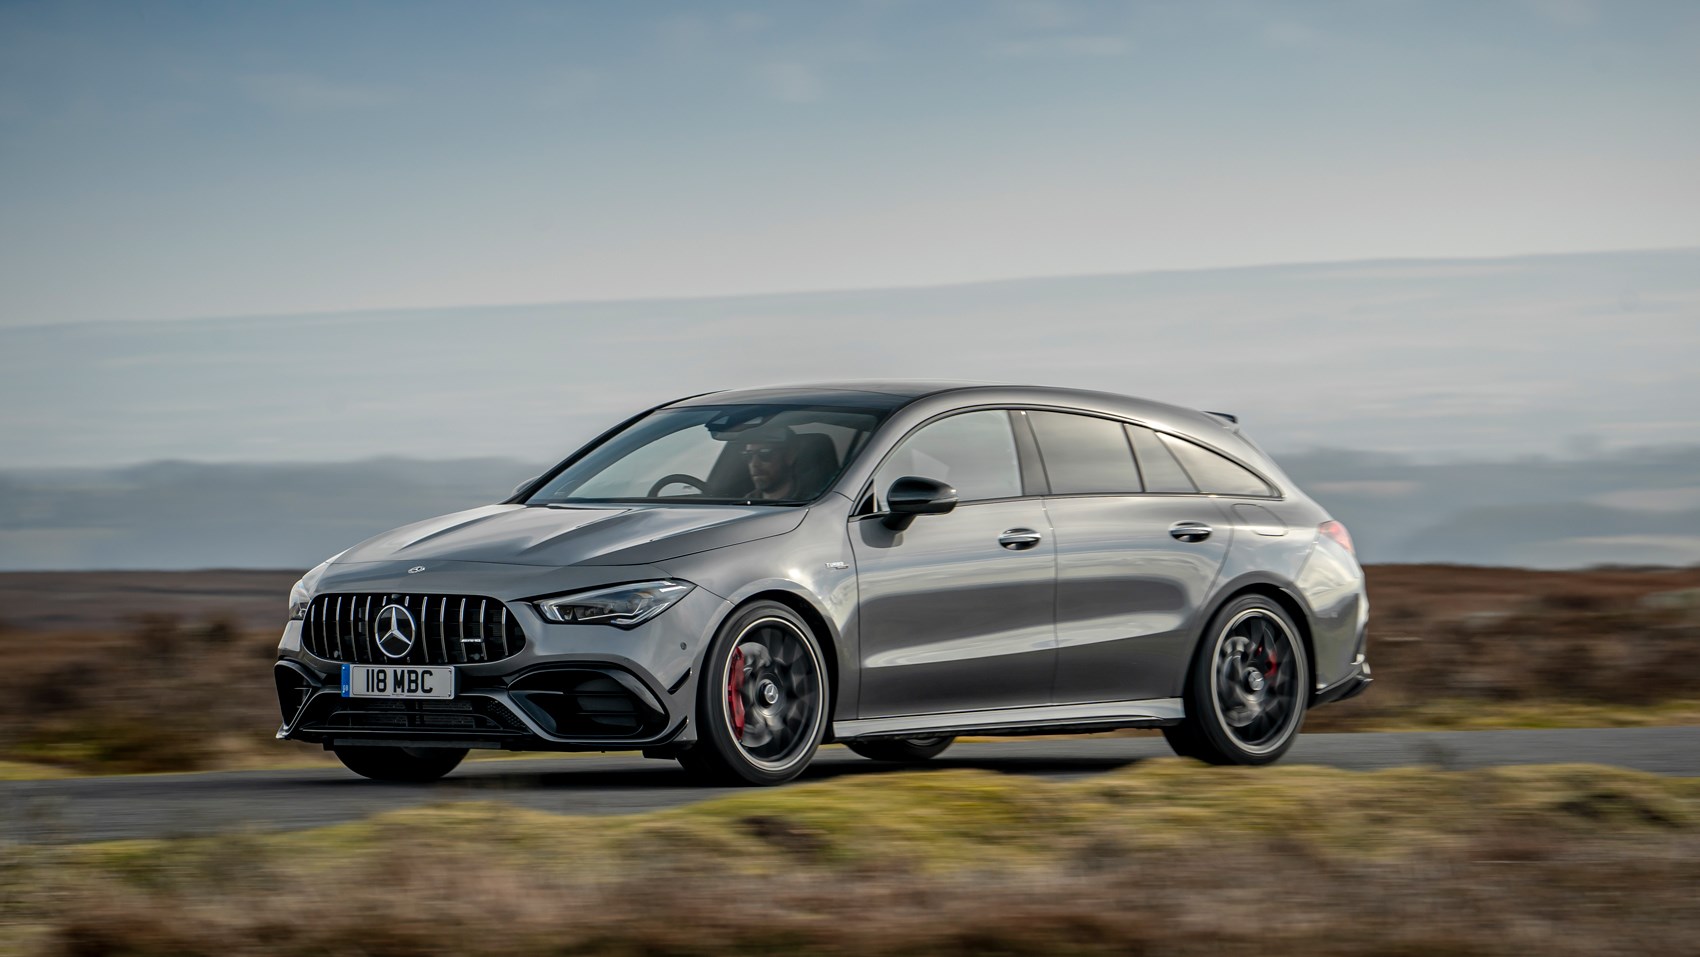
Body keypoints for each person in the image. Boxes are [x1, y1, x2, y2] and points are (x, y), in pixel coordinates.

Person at [742, 427, 800, 501]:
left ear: (790, 456)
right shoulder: (743, 504)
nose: (754, 464)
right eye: (748, 456)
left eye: (764, 454)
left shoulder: (813, 503)